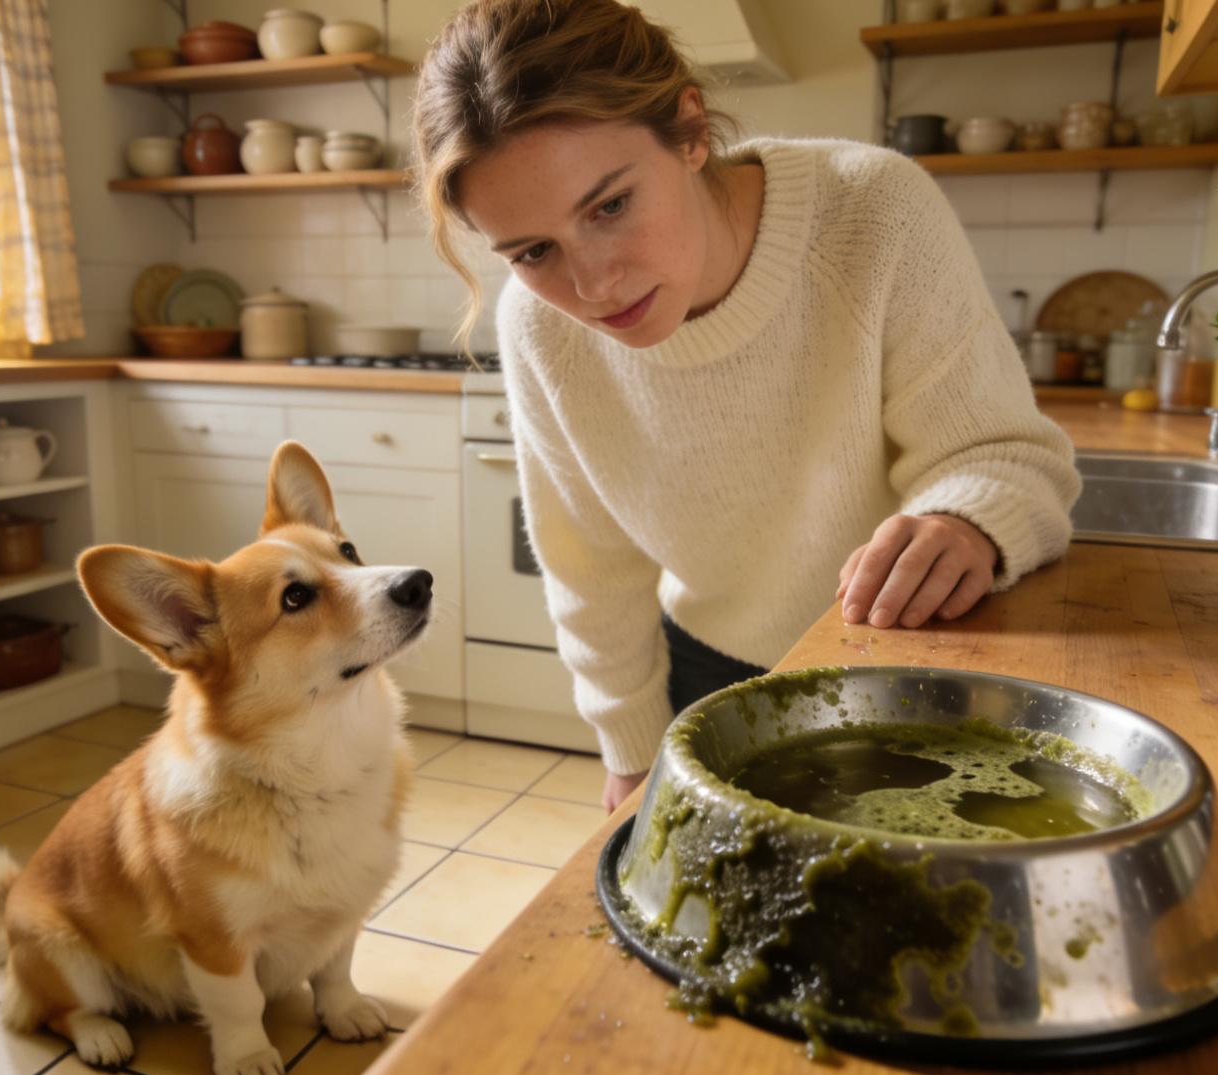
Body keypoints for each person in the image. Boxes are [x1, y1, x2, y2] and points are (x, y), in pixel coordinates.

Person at [411, 0, 1081, 811]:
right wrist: (628, 749)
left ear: (691, 131)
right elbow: (591, 567)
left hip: (908, 650)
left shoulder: (875, 211)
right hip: (708, 663)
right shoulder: (541, 329)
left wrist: (964, 521)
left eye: (611, 205)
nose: (593, 286)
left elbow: (1005, 457)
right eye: (533, 252)